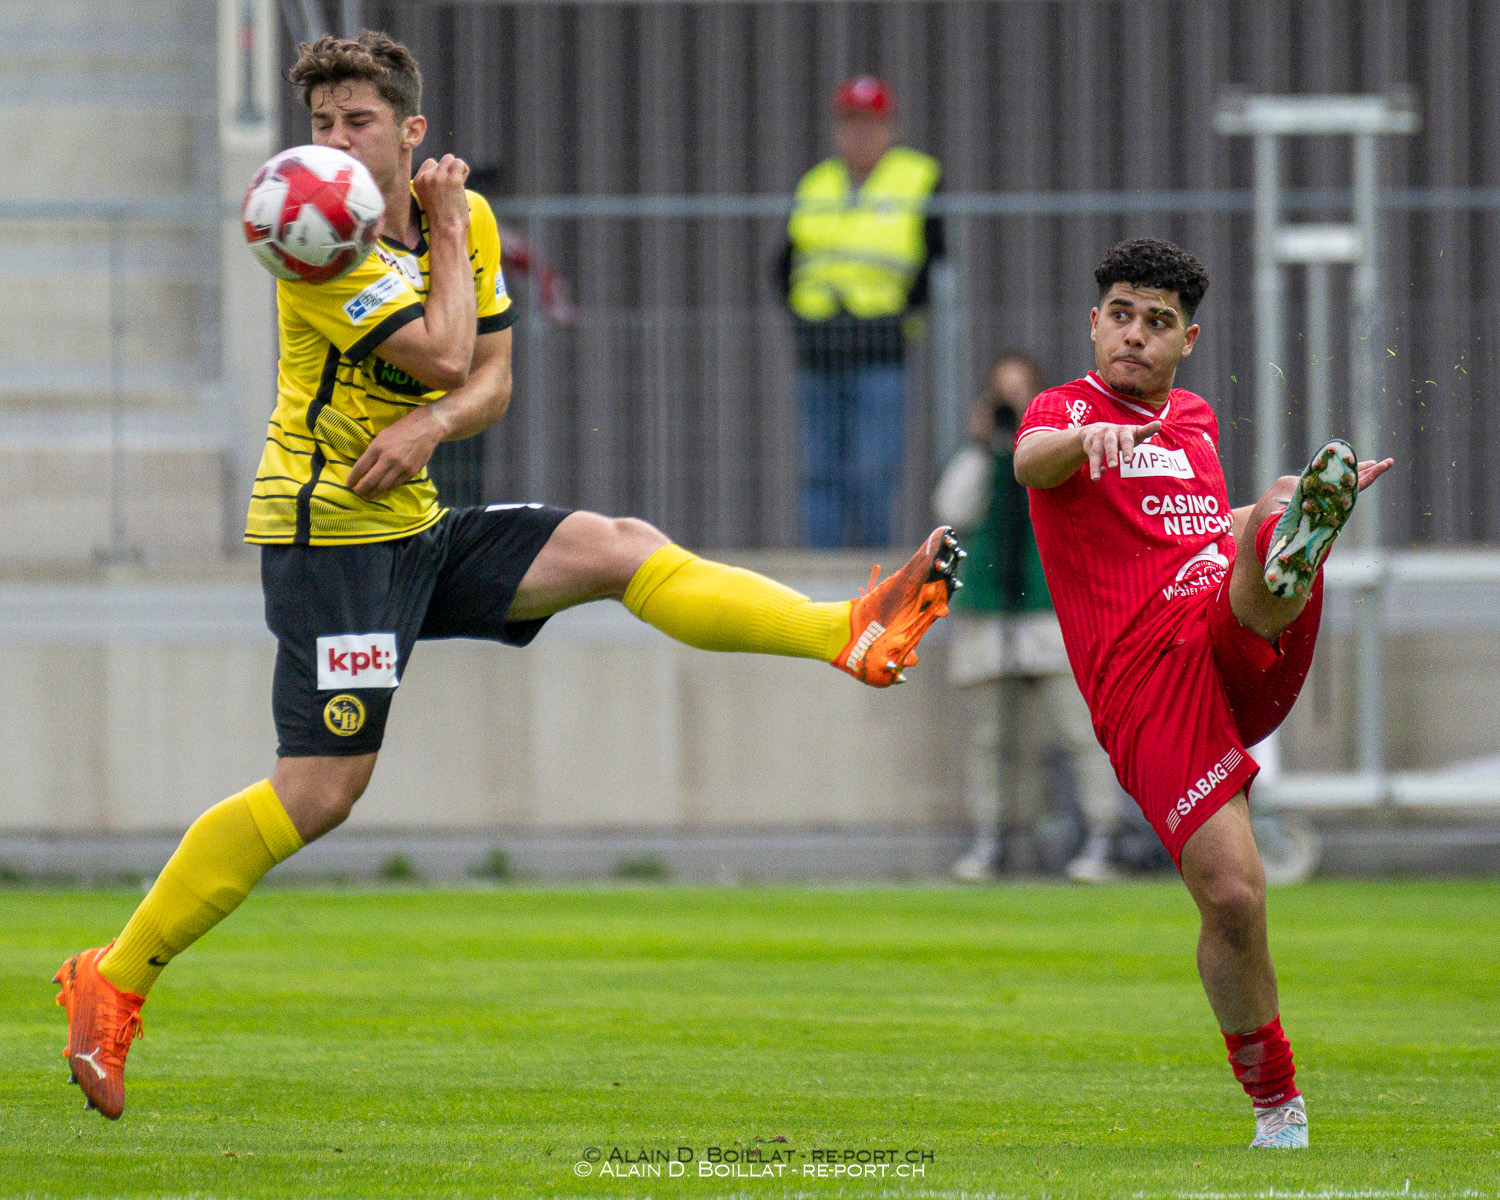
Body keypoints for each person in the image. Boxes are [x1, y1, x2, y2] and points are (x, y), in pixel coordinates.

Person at [52, 31, 962, 1121]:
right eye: (322, 124)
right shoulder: (311, 236)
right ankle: (113, 976)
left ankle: (847, 630)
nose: (335, 143)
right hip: (328, 541)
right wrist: (440, 277)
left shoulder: (463, 222)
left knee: (620, 544)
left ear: (410, 131)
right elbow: (440, 351)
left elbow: (485, 384)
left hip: (417, 526)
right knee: (320, 792)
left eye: (358, 123)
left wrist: (433, 422)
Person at [1013, 236, 1393, 1148]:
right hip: (1145, 681)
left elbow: (1196, 538)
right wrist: (1084, 440)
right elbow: (1032, 464)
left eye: (1158, 322)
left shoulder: (1194, 421)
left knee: (1262, 506)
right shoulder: (1063, 410)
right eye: (1121, 316)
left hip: (1222, 626)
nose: (1135, 336)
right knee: (1234, 897)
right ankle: (1278, 1107)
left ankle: (1296, 534)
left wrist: (1268, 519)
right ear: (1093, 323)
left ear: (1189, 338)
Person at [934, 352, 1122, 883]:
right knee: (989, 740)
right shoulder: (976, 458)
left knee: (1082, 731)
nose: (1010, 406)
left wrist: (1039, 437)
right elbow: (953, 509)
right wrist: (980, 444)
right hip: (989, 611)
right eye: (1002, 394)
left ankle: (1101, 838)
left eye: (1021, 394)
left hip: (1050, 611)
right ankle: (990, 841)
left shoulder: (1063, 449)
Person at [776, 75, 944, 548]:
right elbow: (786, 263)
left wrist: (903, 316)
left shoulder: (917, 176)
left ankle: (871, 569)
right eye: (850, 122)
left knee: (873, 468)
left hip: (880, 343)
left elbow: (935, 260)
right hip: (819, 343)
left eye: (869, 122)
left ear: (889, 127)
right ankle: (823, 572)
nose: (859, 133)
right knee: (819, 469)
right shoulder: (816, 183)